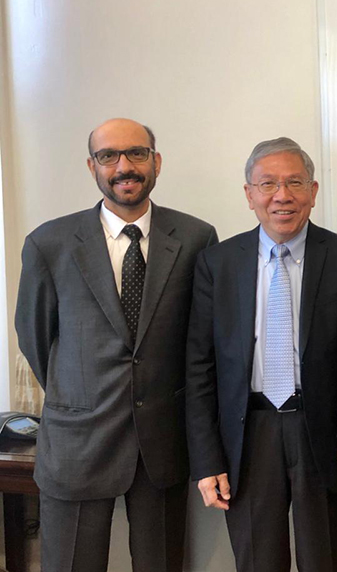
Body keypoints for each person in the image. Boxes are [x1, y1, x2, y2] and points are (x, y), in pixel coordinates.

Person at [14, 118, 218, 571]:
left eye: (136, 153)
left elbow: (200, 340)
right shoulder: (50, 243)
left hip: (162, 442)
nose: (124, 166)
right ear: (93, 167)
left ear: (156, 161)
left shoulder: (195, 238)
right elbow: (35, 336)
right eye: (109, 156)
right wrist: (79, 394)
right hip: (78, 441)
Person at [185, 137, 337, 571]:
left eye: (295, 183)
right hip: (248, 434)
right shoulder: (217, 263)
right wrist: (207, 461)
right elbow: (199, 369)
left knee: (329, 558)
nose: (282, 196)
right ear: (249, 195)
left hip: (323, 432)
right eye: (268, 185)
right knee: (257, 560)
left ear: (314, 192)